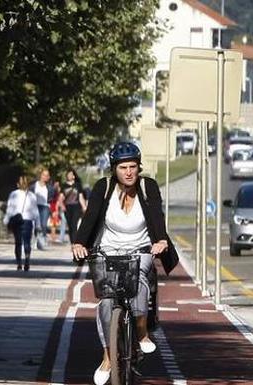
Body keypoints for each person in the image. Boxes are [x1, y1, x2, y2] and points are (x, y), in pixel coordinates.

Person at [72, 142, 178, 385]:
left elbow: (156, 215)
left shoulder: (147, 186)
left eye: (133, 166)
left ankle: (141, 333)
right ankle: (108, 357)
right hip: (108, 250)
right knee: (107, 301)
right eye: (123, 167)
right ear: (114, 169)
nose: (129, 172)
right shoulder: (104, 187)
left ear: (139, 167)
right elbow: (90, 217)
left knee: (140, 278)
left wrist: (160, 240)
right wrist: (79, 243)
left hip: (141, 249)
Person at [3, 175, 40, 271]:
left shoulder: (13, 194)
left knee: (18, 242)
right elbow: (35, 211)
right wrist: (37, 224)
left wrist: (6, 220)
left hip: (17, 220)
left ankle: (19, 263)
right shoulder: (32, 196)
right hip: (28, 221)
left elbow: (10, 209)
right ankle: (27, 259)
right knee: (27, 242)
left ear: (18, 184)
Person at [62, 168, 88, 245]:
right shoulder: (64, 185)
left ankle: (74, 243)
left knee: (74, 224)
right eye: (68, 174)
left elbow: (80, 197)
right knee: (70, 226)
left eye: (71, 174)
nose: (69, 176)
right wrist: (61, 205)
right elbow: (61, 197)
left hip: (76, 207)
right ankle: (72, 242)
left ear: (74, 176)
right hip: (67, 207)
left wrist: (84, 207)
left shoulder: (78, 185)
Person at [31, 168, 53, 250]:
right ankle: (36, 240)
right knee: (36, 225)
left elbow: (52, 197)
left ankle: (42, 240)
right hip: (35, 206)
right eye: (44, 175)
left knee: (43, 224)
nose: (45, 177)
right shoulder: (34, 185)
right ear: (41, 175)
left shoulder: (50, 187)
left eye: (47, 175)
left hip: (45, 206)